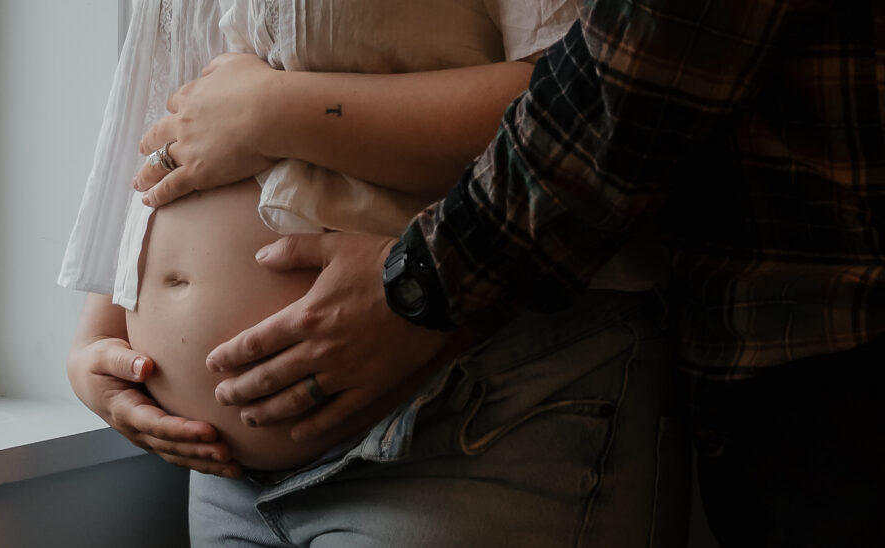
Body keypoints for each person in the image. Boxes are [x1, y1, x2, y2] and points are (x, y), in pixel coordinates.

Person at [162, 1, 884, 546]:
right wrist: (108, 317)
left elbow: (613, 90)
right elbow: (171, 96)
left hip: (479, 415)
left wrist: (420, 287)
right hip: (224, 469)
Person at [63, 0, 689, 546]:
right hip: (223, 476)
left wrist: (275, 114)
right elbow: (171, 110)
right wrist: (99, 332)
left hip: (465, 423)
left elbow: (600, 100)